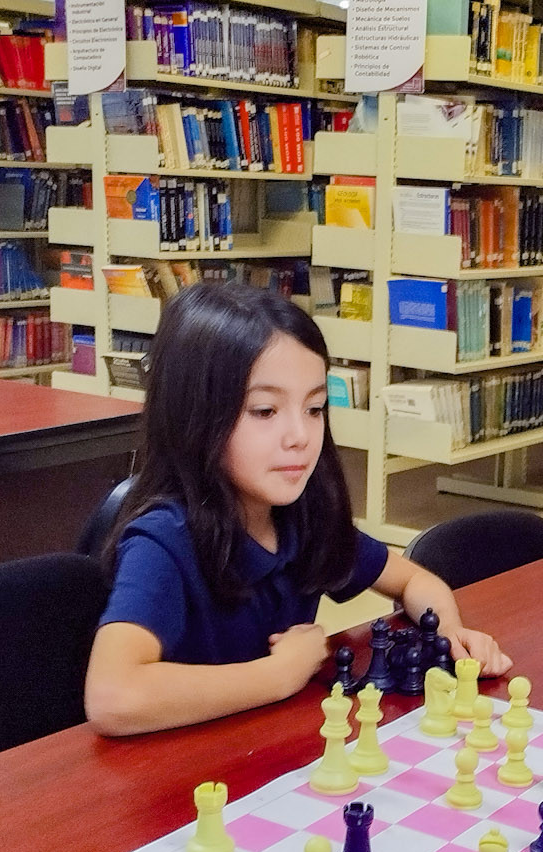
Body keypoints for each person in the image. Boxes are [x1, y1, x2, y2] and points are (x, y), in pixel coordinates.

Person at [86, 282, 511, 736]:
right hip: (182, 766)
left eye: (314, 408)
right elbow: (112, 697)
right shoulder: (164, 541)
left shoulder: (302, 517)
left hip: (275, 746)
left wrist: (448, 633)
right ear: (194, 415)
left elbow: (413, 580)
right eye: (265, 411)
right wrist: (280, 674)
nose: (301, 436)